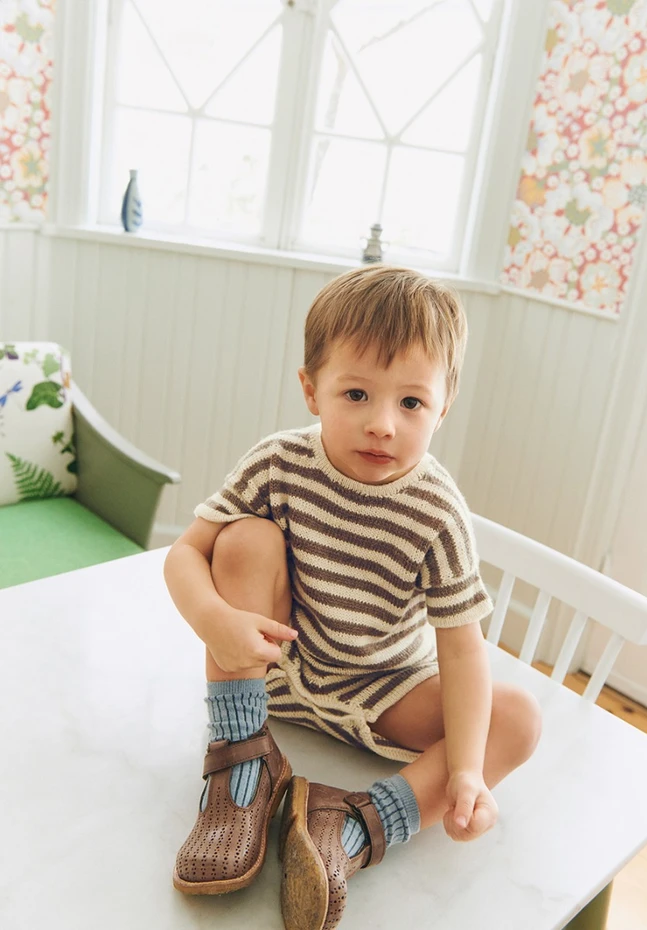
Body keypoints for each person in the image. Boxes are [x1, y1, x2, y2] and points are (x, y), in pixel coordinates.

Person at [163, 264, 542, 930]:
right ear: (312, 390)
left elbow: (461, 652)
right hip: (273, 676)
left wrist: (465, 772)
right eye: (357, 394)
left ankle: (351, 826)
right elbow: (185, 554)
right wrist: (214, 619)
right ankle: (242, 769)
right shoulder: (278, 463)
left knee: (516, 719)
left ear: (444, 406)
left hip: (385, 693)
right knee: (242, 539)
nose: (382, 425)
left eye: (411, 403)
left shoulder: (437, 512)